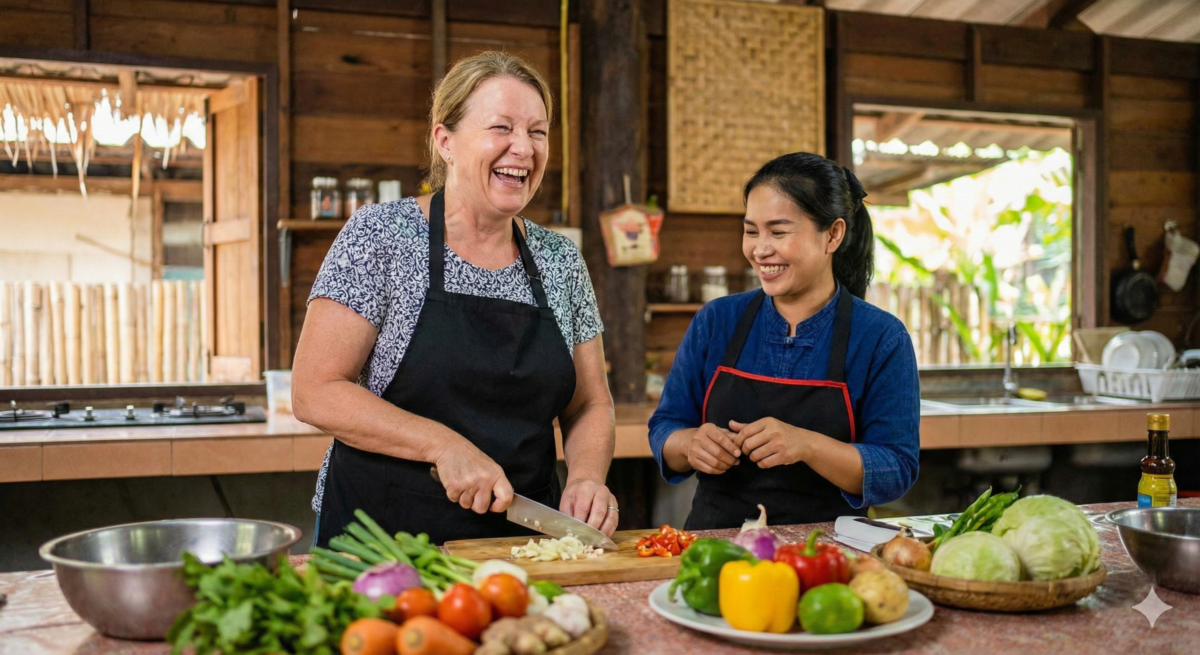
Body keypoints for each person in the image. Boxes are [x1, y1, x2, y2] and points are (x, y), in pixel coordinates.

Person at [293, 51, 618, 546]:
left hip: (523, 541)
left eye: (537, 131)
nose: (524, 149)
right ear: (445, 141)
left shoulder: (560, 259)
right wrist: (442, 445)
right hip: (380, 538)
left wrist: (586, 478)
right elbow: (315, 390)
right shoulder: (381, 235)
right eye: (501, 128)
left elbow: (590, 403)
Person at [648, 152, 920, 529]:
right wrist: (690, 445)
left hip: (826, 553)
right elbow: (665, 427)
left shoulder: (881, 337)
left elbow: (897, 468)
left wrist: (806, 445)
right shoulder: (717, 321)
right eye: (751, 230)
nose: (760, 249)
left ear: (833, 235)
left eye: (778, 232)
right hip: (716, 547)